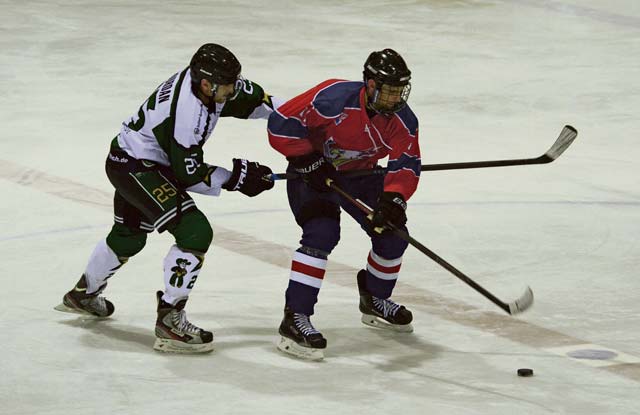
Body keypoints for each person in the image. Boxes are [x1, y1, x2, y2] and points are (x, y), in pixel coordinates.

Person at [55, 43, 279, 354]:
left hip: (133, 158)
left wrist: (295, 119)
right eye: (226, 86)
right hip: (138, 168)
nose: (232, 91)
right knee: (195, 231)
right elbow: (188, 175)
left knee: (129, 236)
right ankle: (170, 319)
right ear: (206, 83)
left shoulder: (209, 85)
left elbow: (261, 103)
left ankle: (83, 294)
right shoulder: (186, 114)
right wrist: (236, 179)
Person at [267, 48, 421, 360]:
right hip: (313, 175)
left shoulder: (404, 121)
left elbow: (406, 163)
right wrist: (306, 159)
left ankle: (375, 298)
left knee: (392, 232)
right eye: (388, 90)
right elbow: (280, 123)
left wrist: (394, 198)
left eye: (398, 91)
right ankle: (295, 318)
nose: (395, 98)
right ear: (370, 84)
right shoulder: (332, 98)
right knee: (321, 234)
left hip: (359, 175)